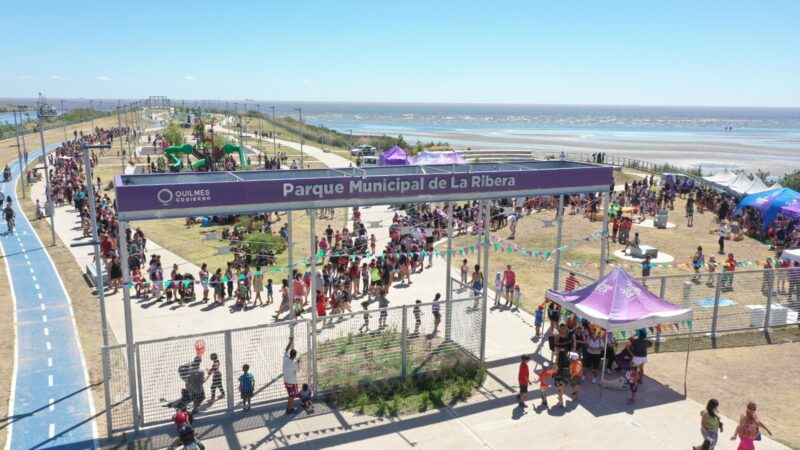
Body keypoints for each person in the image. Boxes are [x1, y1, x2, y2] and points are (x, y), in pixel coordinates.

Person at [283, 337, 302, 415]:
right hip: (292, 383)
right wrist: (298, 363)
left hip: (286, 381)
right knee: (292, 396)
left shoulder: (285, 358)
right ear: (295, 355)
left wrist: (290, 341)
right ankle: (289, 409)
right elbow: (298, 370)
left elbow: (286, 349)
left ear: (290, 354)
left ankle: (289, 408)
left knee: (290, 395)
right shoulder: (294, 363)